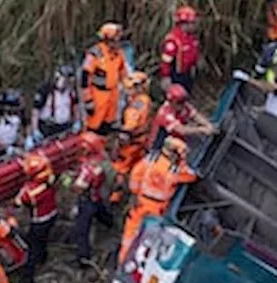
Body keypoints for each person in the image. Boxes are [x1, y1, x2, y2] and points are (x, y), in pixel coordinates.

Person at [119, 138, 198, 264]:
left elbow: (135, 174)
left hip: (140, 202)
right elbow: (192, 176)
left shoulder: (150, 161)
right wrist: (182, 162)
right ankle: (137, 264)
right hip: (156, 208)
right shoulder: (174, 170)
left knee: (130, 235)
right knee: (148, 239)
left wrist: (134, 193)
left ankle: (122, 262)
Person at [68, 132, 115, 269]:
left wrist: (69, 181)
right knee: (101, 212)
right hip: (97, 196)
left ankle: (83, 258)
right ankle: (110, 223)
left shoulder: (89, 168)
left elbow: (79, 187)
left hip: (87, 200)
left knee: (82, 230)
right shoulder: (101, 160)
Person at [15, 153, 58, 283]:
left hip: (39, 220)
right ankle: (42, 257)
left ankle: (28, 278)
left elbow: (19, 201)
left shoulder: (30, 191)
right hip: (52, 214)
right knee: (43, 240)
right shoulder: (50, 178)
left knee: (31, 248)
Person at [110, 72, 153, 204]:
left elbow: (127, 130)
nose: (128, 91)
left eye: (130, 89)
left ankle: (115, 196)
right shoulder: (145, 100)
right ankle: (138, 190)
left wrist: (117, 146)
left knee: (119, 169)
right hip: (141, 141)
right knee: (138, 166)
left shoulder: (135, 108)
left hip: (131, 144)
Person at [80, 23, 129, 134]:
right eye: (116, 40)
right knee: (93, 127)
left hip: (113, 94)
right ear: (108, 40)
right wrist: (88, 100)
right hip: (98, 95)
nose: (119, 43)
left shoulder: (119, 54)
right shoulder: (95, 53)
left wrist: (128, 92)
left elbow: (123, 74)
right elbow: (84, 78)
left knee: (108, 126)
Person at [149, 84, 216, 147]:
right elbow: (182, 130)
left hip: (176, 138)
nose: (183, 104)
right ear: (172, 102)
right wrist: (202, 130)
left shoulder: (182, 104)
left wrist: (207, 124)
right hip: (159, 145)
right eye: (180, 102)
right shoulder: (165, 114)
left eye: (184, 100)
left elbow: (195, 115)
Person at [30, 65, 79, 144]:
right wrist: (35, 130)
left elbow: (75, 106)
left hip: (65, 128)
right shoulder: (45, 90)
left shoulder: (71, 91)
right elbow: (35, 111)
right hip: (48, 128)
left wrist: (77, 121)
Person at [159, 5, 201, 94]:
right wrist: (166, 77)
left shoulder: (192, 38)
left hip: (188, 73)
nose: (194, 26)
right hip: (176, 75)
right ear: (184, 23)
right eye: (192, 23)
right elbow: (166, 61)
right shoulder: (174, 39)